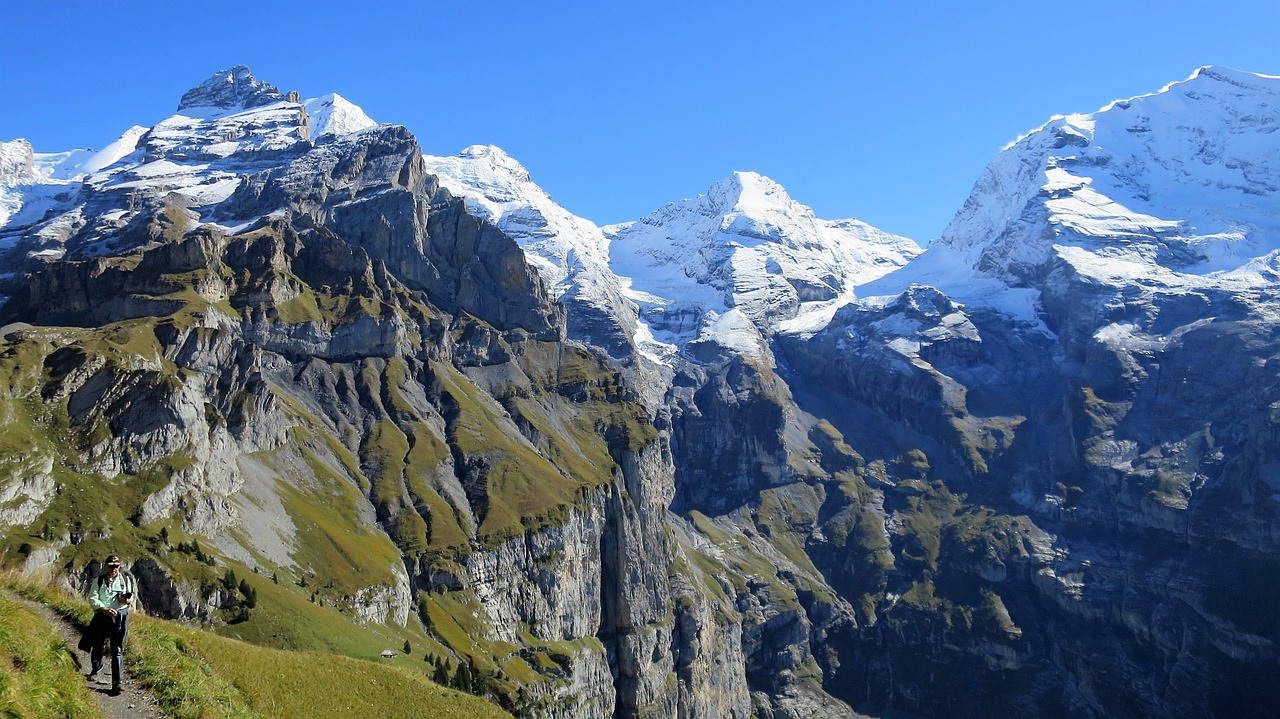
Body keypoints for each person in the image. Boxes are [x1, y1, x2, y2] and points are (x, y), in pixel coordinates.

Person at [86, 554, 136, 696]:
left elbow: (129, 597)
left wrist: (124, 600)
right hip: (102, 616)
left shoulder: (125, 580)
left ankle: (117, 683)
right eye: (111, 566)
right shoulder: (99, 580)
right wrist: (103, 608)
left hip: (119, 617)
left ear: (119, 567)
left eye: (116, 566)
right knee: (97, 645)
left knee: (117, 649)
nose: (114, 569)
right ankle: (96, 668)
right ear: (106, 566)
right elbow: (93, 598)